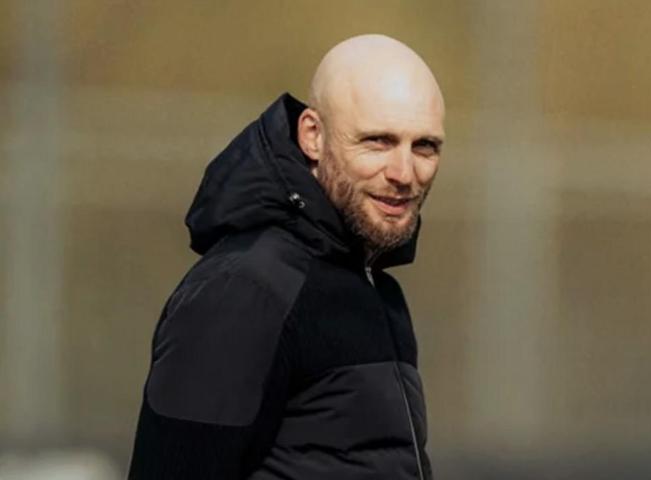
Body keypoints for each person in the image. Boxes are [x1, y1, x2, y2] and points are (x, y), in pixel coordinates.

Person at [128, 33, 446, 479]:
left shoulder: (374, 286)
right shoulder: (246, 289)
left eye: (425, 146)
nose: (404, 173)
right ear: (313, 135)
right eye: (377, 141)